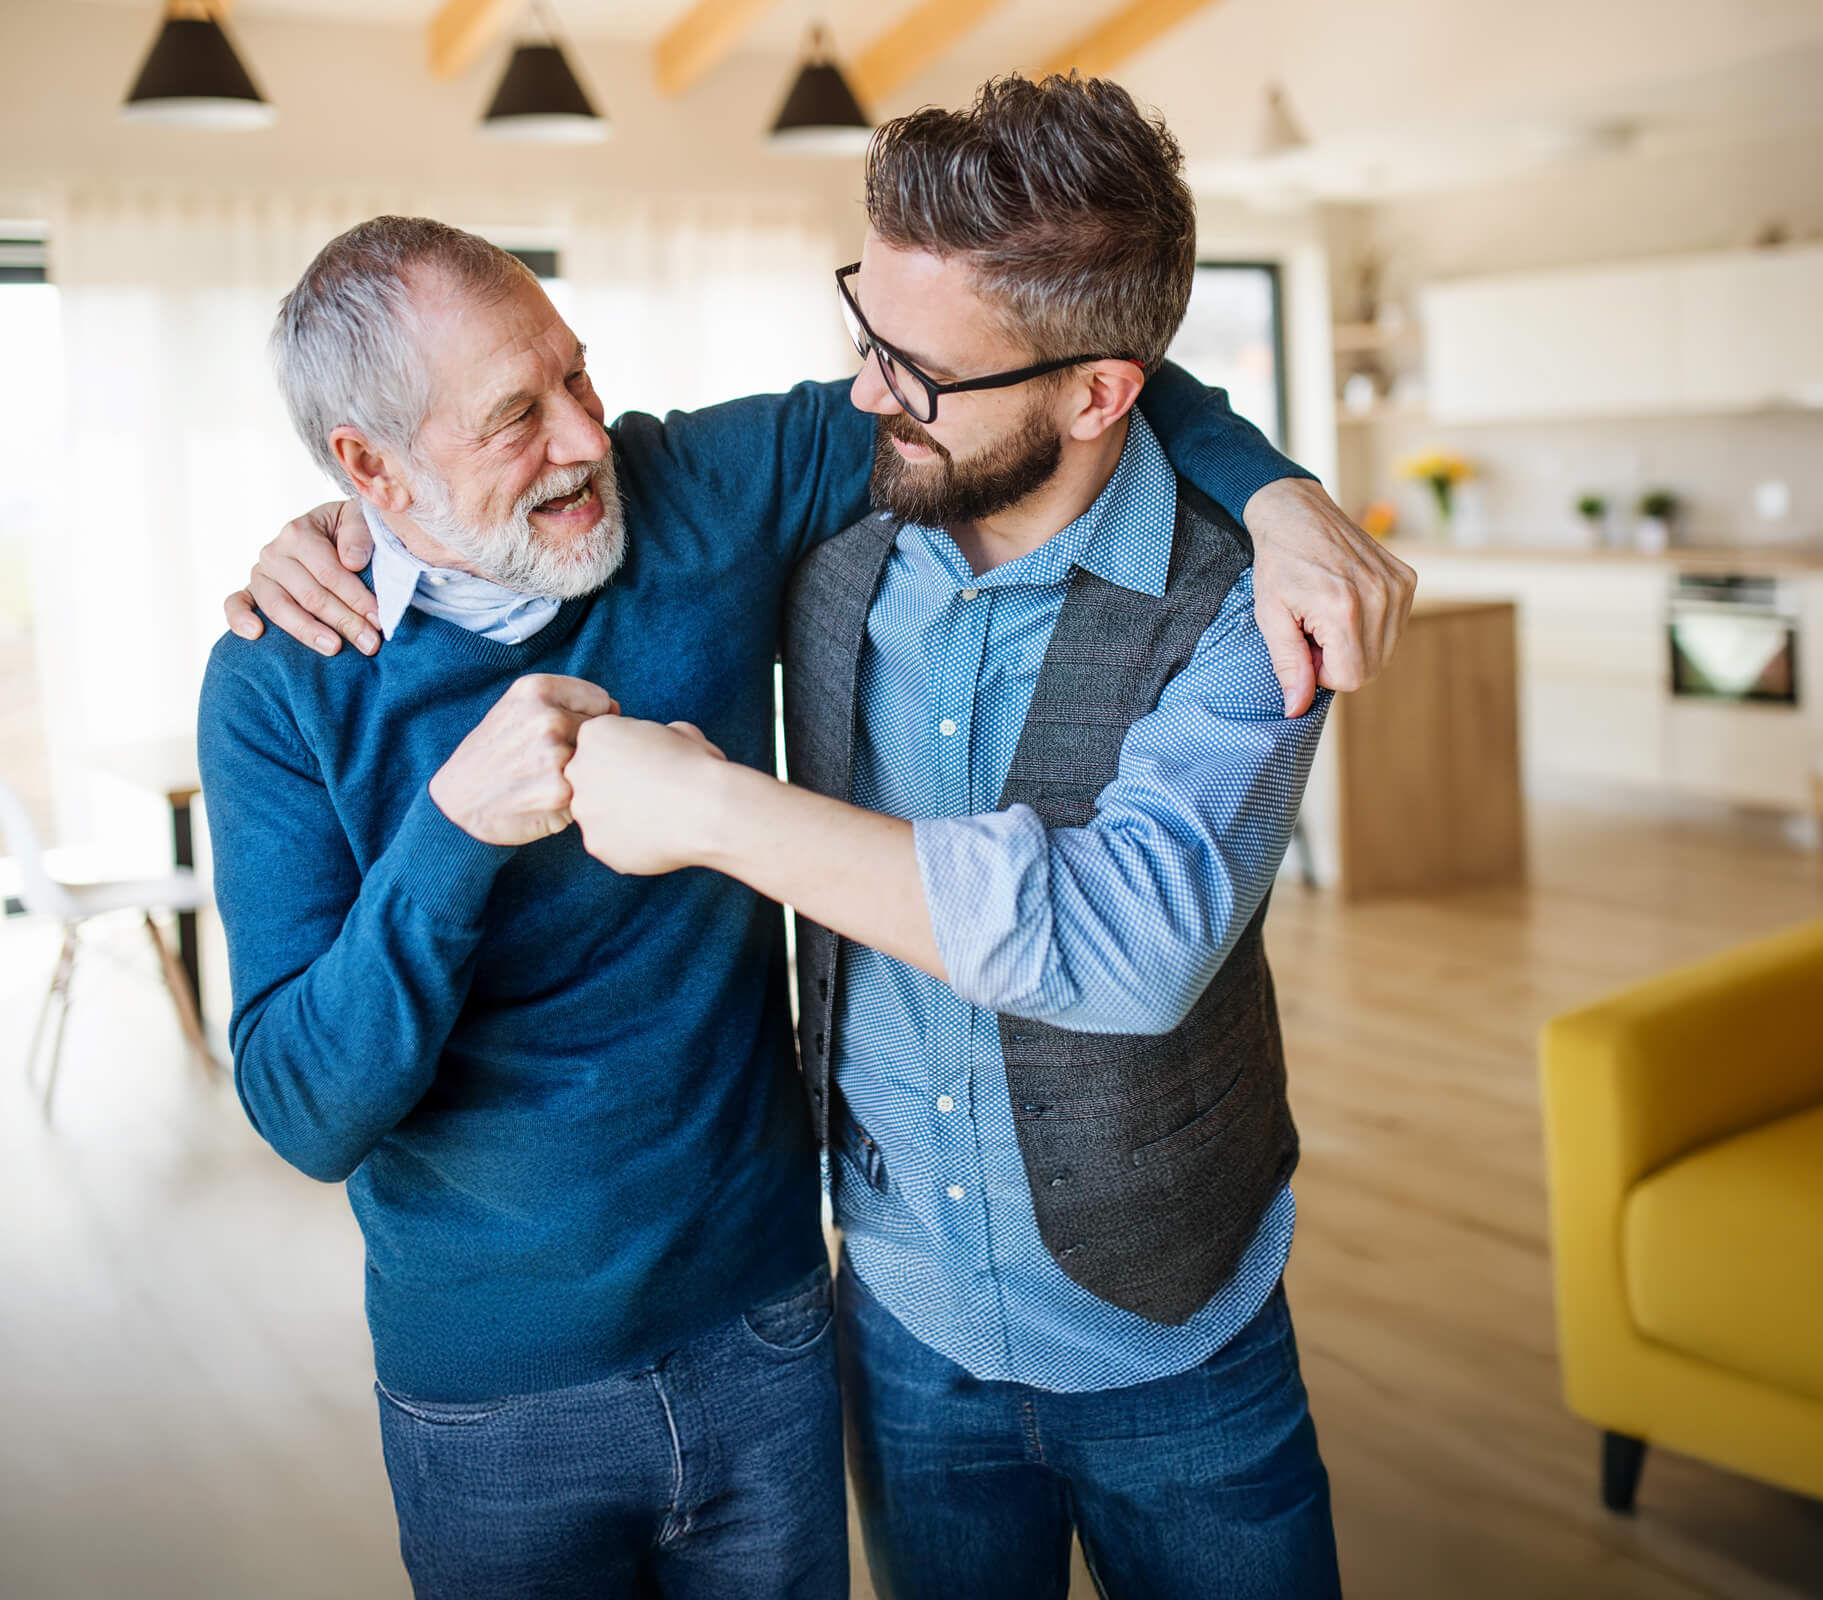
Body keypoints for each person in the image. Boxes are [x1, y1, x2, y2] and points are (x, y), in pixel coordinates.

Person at [203, 204, 1410, 1597]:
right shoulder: (281, 679)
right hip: (494, 1397)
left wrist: (1279, 495)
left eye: (578, 376)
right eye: (514, 417)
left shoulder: (703, 490)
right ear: (370, 468)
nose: (589, 437)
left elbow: (1065, 371)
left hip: (768, 1330)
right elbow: (304, 1108)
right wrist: (453, 831)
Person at [562, 76, 1342, 1599]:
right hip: (902, 1315)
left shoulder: (1249, 606)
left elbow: (1126, 943)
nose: (867, 395)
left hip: (1176, 1330)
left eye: (920, 371)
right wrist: (340, 533)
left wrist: (716, 811)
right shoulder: (834, 519)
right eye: (867, 332)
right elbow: (531, 503)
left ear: (1098, 392)